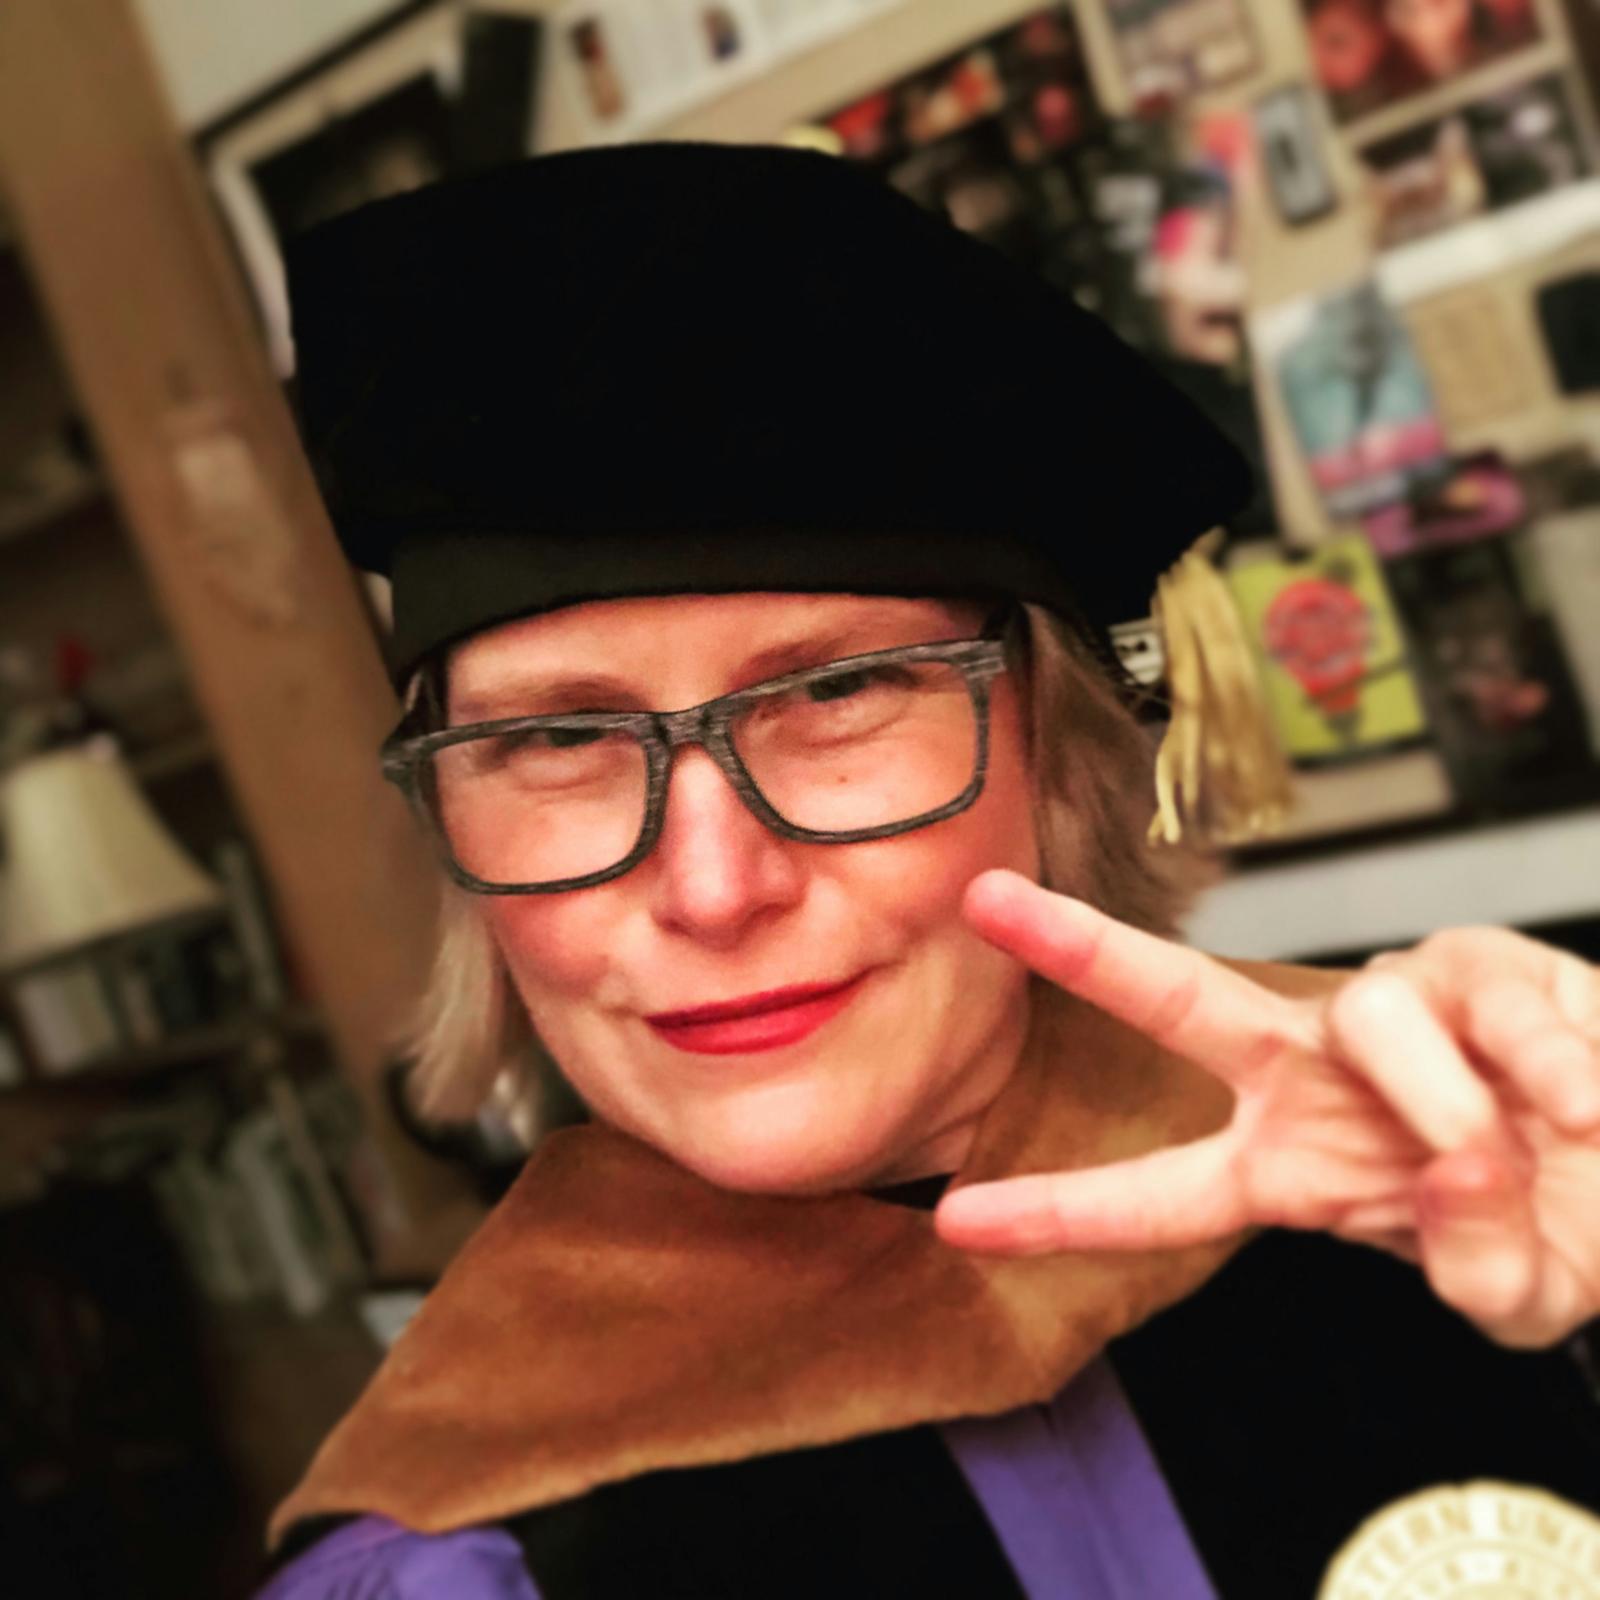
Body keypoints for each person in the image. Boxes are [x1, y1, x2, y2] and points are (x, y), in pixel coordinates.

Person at [260, 145, 1600, 1599]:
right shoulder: (457, 1561)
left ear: (1058, 740)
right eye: (559, 737)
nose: (713, 889)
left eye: (839, 693)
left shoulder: (1460, 1183)